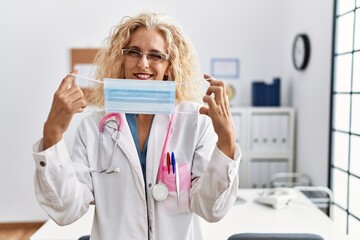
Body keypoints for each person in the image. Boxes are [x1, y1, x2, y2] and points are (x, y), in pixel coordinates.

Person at [32, 12, 241, 240]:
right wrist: (52, 133)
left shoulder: (196, 122)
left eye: (155, 55)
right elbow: (66, 210)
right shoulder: (94, 128)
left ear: (170, 65)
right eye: (133, 52)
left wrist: (227, 140)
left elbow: (211, 209)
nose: (143, 63)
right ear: (121, 59)